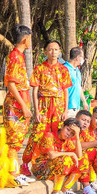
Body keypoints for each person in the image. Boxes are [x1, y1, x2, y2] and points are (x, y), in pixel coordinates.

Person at [22, 41, 72, 174]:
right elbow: (34, 91)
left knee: (58, 133)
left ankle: (54, 161)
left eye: (56, 49)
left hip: (58, 106)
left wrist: (65, 110)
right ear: (45, 52)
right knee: (37, 134)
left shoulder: (63, 69)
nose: (53, 52)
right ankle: (25, 164)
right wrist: (36, 110)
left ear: (59, 51)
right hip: (43, 105)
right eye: (50, 49)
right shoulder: (39, 69)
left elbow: (66, 91)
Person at [3, 25, 33, 185]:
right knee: (13, 141)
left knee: (16, 141)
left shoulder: (18, 56)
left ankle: (14, 172)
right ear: (24, 39)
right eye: (29, 38)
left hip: (19, 103)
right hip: (16, 105)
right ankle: (12, 173)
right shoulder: (15, 56)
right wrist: (23, 106)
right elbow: (11, 84)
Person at [29, 117, 83, 194]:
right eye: (68, 130)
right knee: (65, 159)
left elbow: (79, 156)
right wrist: (71, 154)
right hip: (40, 169)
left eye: (72, 133)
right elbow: (51, 155)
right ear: (62, 126)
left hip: (54, 169)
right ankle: (55, 192)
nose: (69, 134)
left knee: (83, 162)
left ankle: (65, 190)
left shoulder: (67, 141)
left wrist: (77, 137)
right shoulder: (49, 136)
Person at [63, 46, 88, 118]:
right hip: (68, 107)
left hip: (76, 108)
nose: (83, 59)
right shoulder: (65, 69)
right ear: (77, 58)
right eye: (82, 57)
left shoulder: (77, 70)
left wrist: (84, 101)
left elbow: (78, 87)